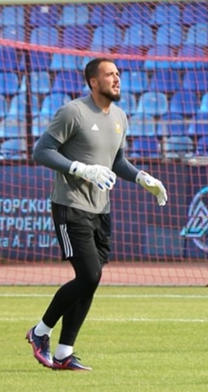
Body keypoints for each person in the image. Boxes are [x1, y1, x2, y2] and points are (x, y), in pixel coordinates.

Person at [24, 58, 169, 371]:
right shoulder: (73, 112)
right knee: (89, 274)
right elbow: (41, 151)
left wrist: (142, 178)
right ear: (93, 81)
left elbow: (116, 162)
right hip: (71, 205)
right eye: (109, 74)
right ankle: (40, 331)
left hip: (101, 209)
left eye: (118, 74)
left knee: (91, 280)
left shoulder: (119, 116)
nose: (117, 79)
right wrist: (79, 168)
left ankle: (63, 353)